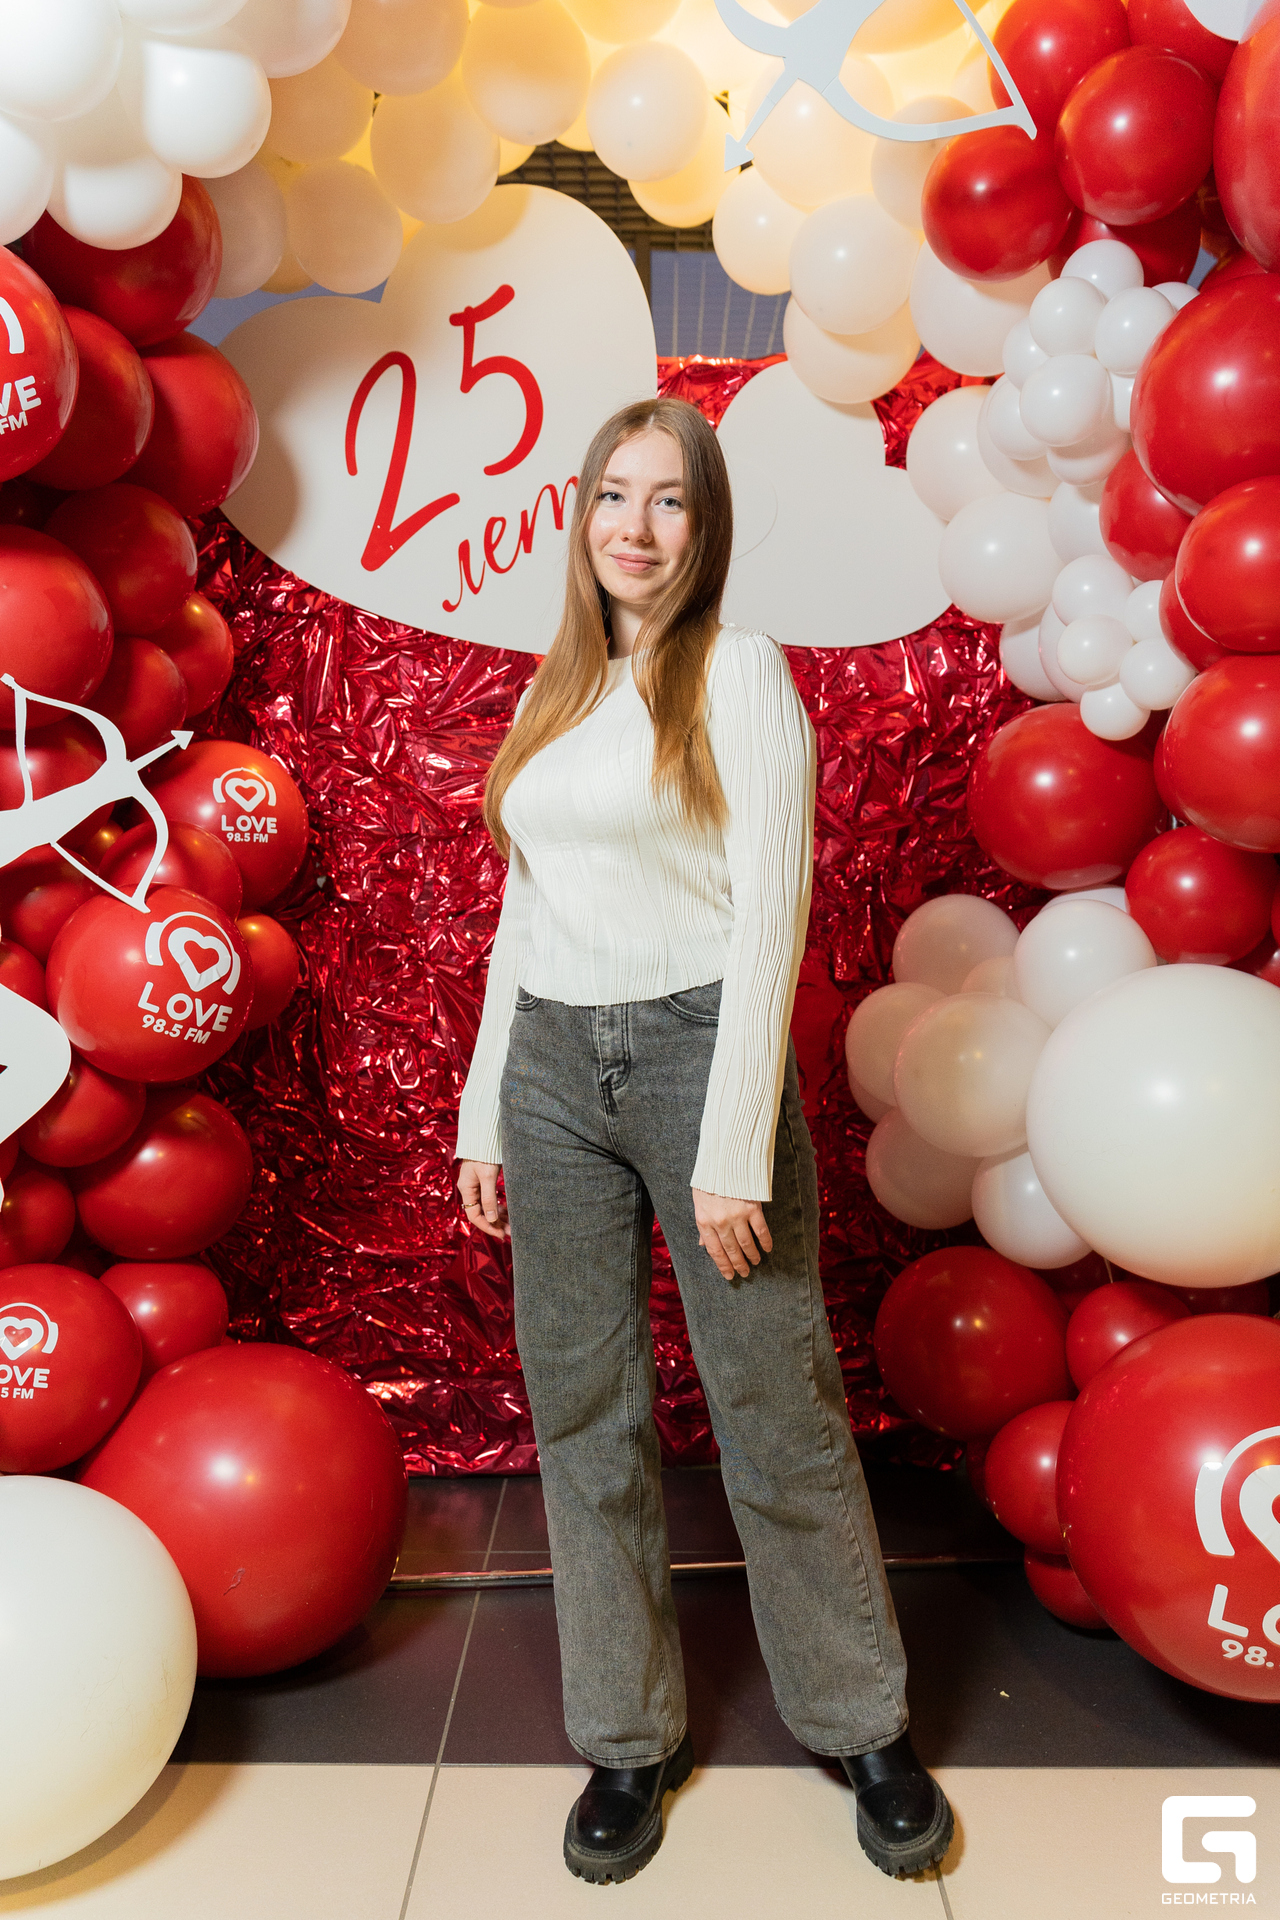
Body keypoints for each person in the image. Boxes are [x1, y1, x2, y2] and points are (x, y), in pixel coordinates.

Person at [454, 396, 953, 1887]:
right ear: (582, 514)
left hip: (695, 1057)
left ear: (704, 525)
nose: (637, 525)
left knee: (773, 1402)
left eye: (669, 500)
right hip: (552, 1071)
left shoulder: (740, 672)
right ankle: (626, 1737)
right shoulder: (553, 692)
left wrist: (734, 1141)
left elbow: (768, 915)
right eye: (615, 494)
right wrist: (486, 1109)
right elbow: (527, 912)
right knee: (582, 1412)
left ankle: (862, 1724)